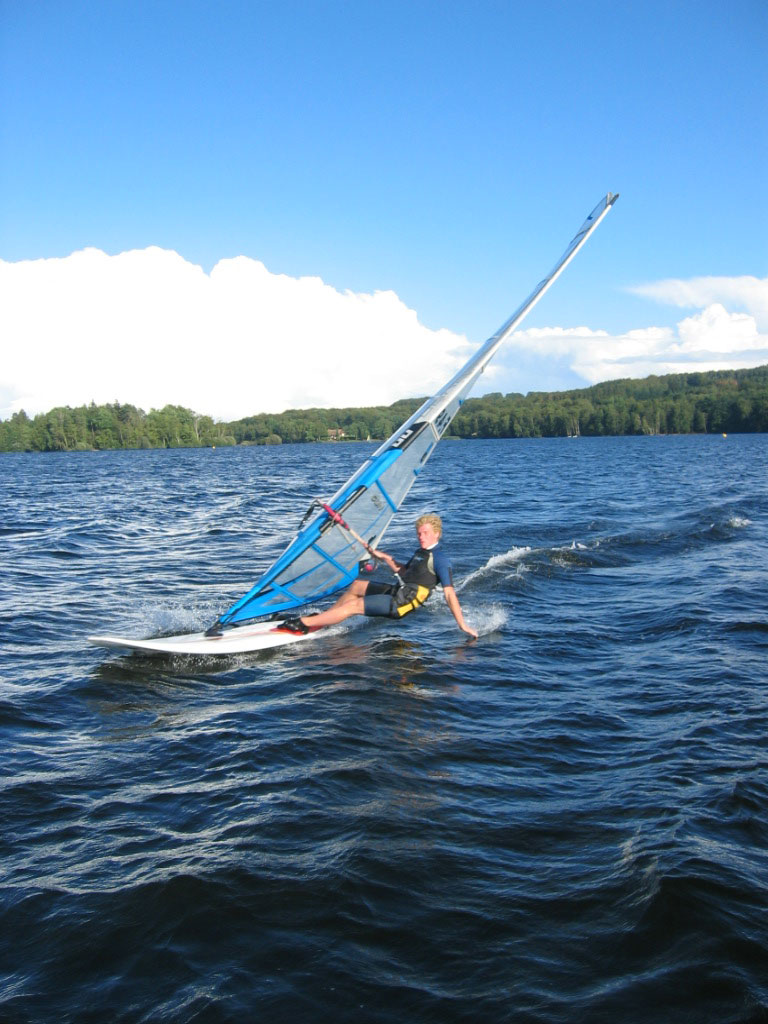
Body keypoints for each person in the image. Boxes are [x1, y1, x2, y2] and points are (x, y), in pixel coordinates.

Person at [278, 513, 478, 638]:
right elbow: (405, 573)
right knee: (357, 586)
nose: (421, 537)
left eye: (425, 533)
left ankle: (304, 624)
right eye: (418, 533)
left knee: (353, 606)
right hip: (400, 590)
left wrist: (463, 625)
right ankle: (323, 619)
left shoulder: (441, 560)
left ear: (437, 534)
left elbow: (450, 594)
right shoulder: (420, 553)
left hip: (403, 603)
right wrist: (383, 557)